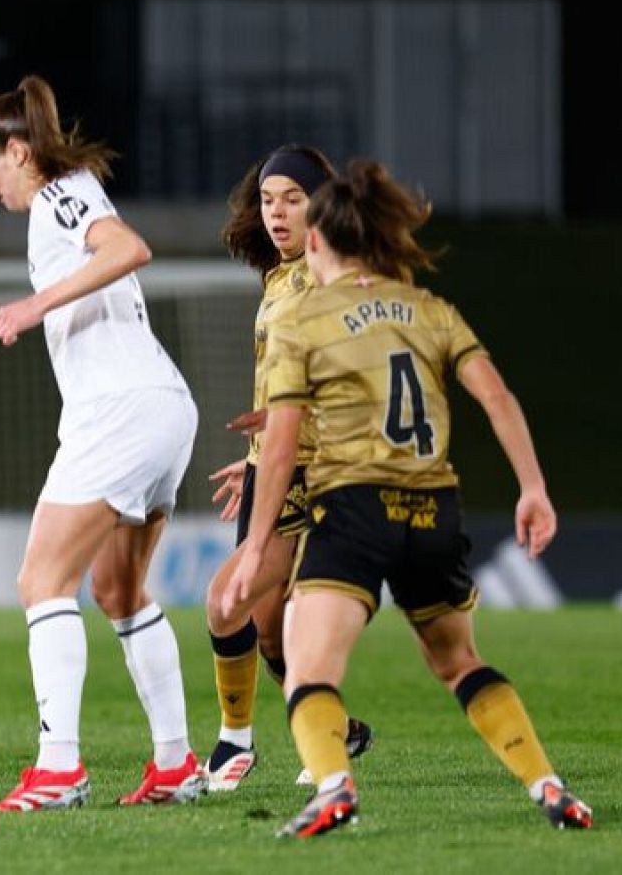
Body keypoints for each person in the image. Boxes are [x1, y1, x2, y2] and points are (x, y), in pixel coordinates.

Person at [226, 158, 593, 837]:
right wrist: (533, 488)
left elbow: (279, 447)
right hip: (434, 509)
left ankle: (334, 787)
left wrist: (255, 545)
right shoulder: (430, 310)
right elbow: (497, 397)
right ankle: (548, 785)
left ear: (315, 242)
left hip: (353, 509)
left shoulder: (299, 320)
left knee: (309, 668)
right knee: (460, 663)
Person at [0, 75, 204, 812]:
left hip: (121, 408)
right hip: (162, 405)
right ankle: (175, 764)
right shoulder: (71, 190)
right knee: (119, 592)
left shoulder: (58, 193)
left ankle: (59, 769)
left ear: (17, 151)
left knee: (42, 583)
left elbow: (129, 248)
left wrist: (33, 305)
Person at [200, 145, 373, 791]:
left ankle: (234, 745)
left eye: (292, 199)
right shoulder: (279, 277)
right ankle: (338, 730)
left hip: (323, 478)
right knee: (269, 636)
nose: (276, 213)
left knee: (227, 601)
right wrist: (259, 457)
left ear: (320, 204)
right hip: (272, 471)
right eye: (268, 199)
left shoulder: (337, 276)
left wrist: (290, 432)